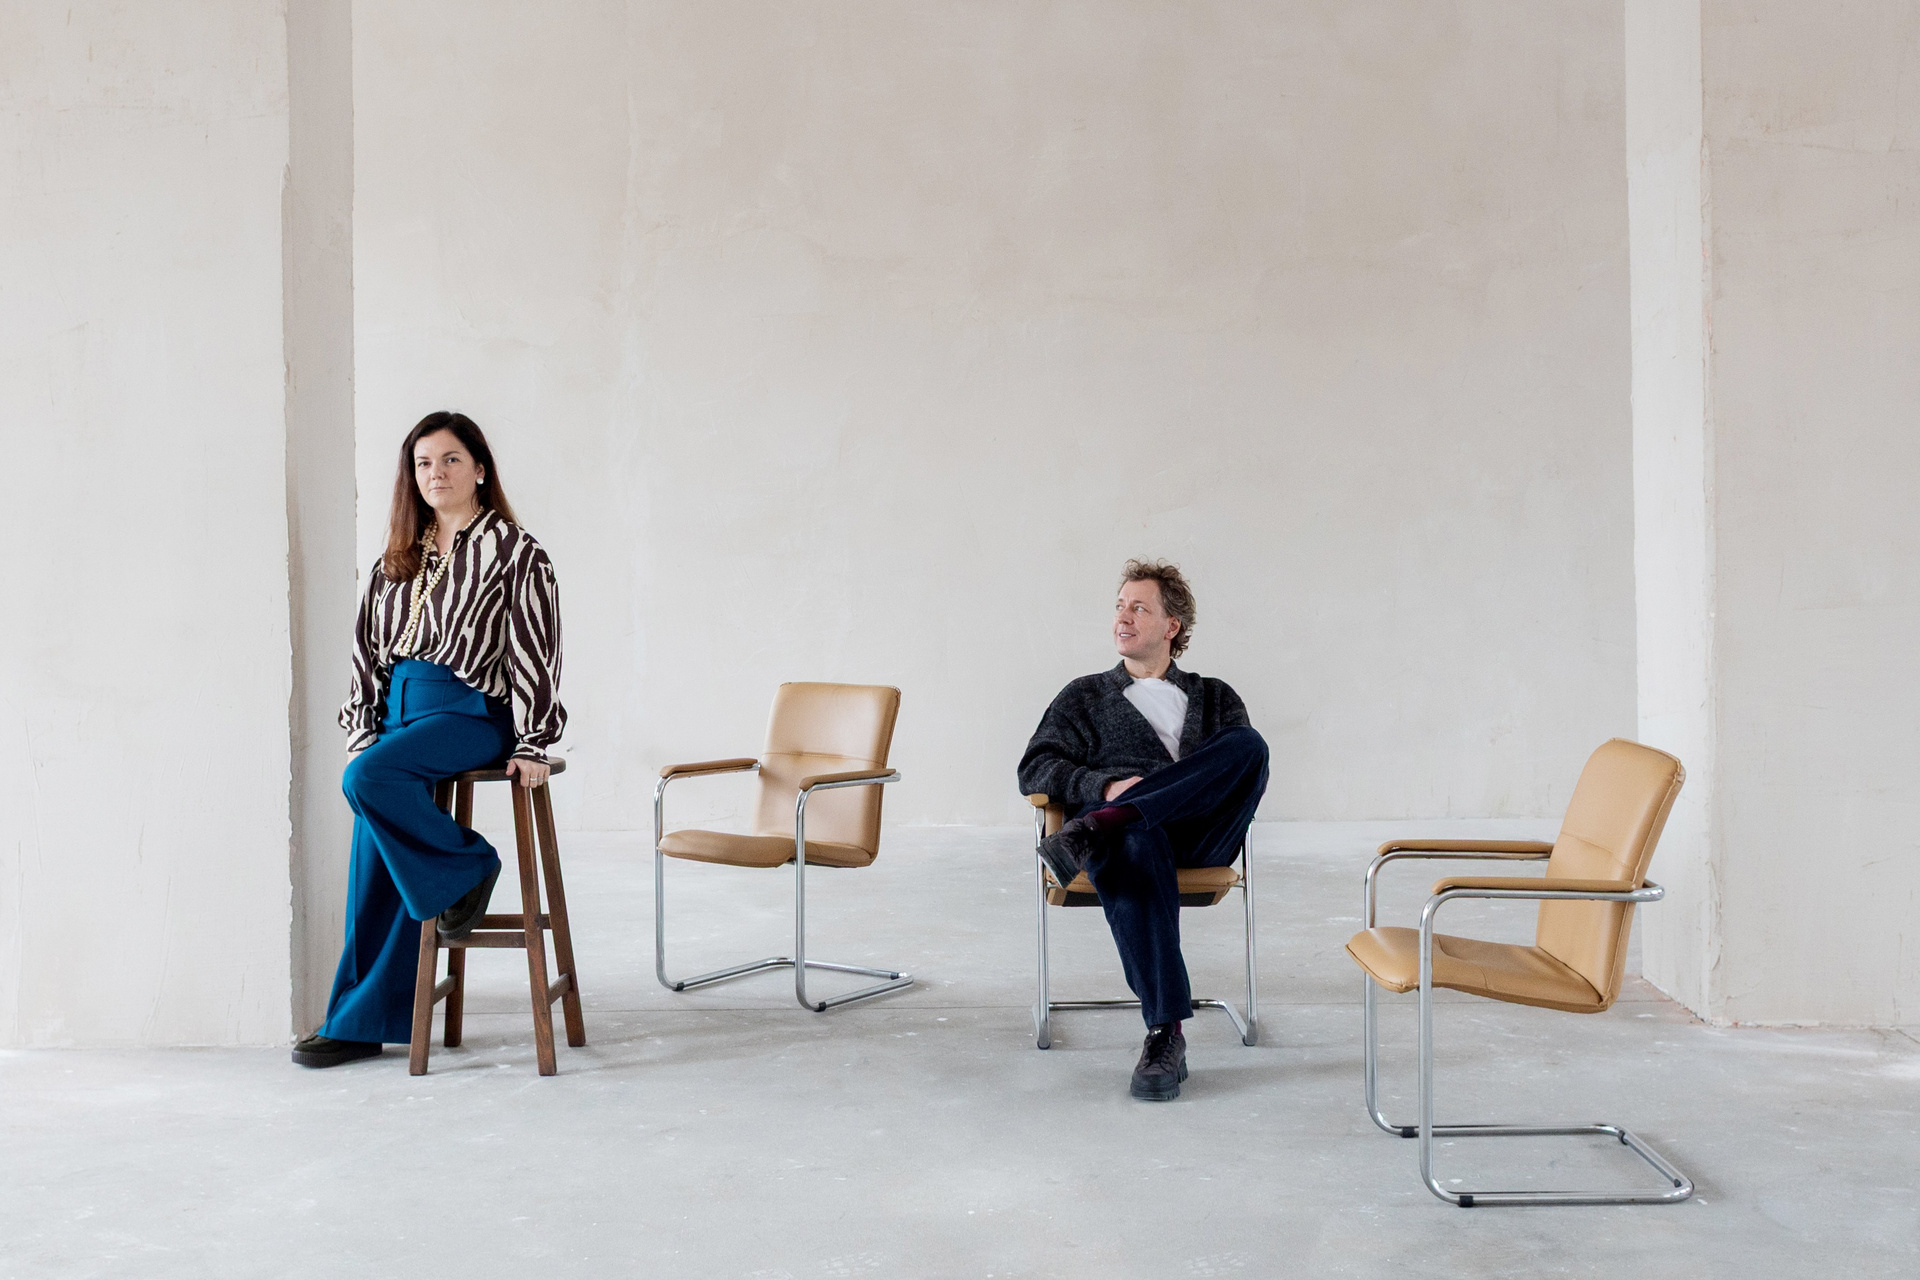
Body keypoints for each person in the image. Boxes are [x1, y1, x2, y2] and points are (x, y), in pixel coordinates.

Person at [293, 412, 566, 1068]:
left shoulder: (515, 552)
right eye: (422, 463)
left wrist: (532, 741)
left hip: (468, 712)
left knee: (366, 781)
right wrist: (363, 726)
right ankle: (359, 1023)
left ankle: (470, 864)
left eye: (449, 460)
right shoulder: (397, 557)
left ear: (480, 469)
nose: (435, 473)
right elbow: (365, 651)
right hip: (398, 714)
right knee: (373, 865)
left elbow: (536, 649)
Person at [1017, 559, 1268, 1101]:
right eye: (1119, 606)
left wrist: (1116, 810)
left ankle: (1103, 824)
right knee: (1135, 837)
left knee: (1248, 745)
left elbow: (1235, 773)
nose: (1123, 618)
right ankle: (1164, 1033)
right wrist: (1106, 786)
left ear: (1172, 626)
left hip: (1200, 837)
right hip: (1132, 847)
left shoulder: (1215, 696)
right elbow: (1034, 769)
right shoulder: (1084, 696)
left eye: (1139, 607)